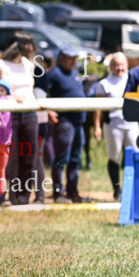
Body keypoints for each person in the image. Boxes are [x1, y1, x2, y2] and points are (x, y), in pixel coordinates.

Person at [37, 47, 89, 203]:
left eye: (74, 58)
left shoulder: (75, 73)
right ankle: (58, 192)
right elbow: (41, 93)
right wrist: (48, 111)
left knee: (76, 158)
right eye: (69, 58)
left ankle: (73, 191)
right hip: (64, 121)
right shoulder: (53, 74)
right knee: (61, 157)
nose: (72, 61)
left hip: (78, 120)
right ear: (61, 58)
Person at [0, 32, 39, 205]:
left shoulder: (28, 65)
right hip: (8, 113)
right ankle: (5, 194)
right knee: (8, 156)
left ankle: (24, 195)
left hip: (29, 111)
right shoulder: (1, 65)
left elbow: (30, 87)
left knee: (29, 154)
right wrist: (13, 99)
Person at [92, 52, 139, 200]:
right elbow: (98, 108)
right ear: (112, 66)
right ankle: (117, 189)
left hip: (131, 123)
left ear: (126, 65)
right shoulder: (104, 84)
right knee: (114, 157)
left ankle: (134, 188)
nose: (119, 68)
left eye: (121, 64)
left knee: (136, 153)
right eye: (116, 65)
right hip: (114, 124)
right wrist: (97, 126)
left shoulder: (132, 80)